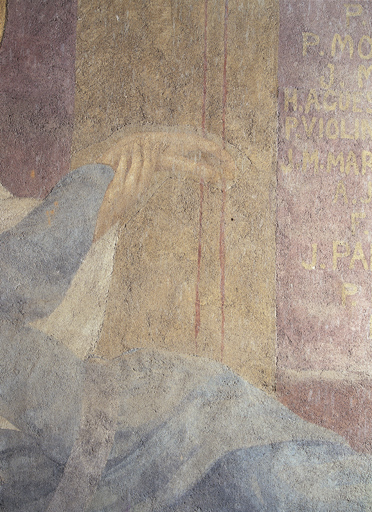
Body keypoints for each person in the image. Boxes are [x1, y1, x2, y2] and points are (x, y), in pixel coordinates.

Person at [1, 130, 372, 511]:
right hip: (112, 439)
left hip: (117, 436)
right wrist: (96, 194)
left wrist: (107, 177)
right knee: (216, 417)